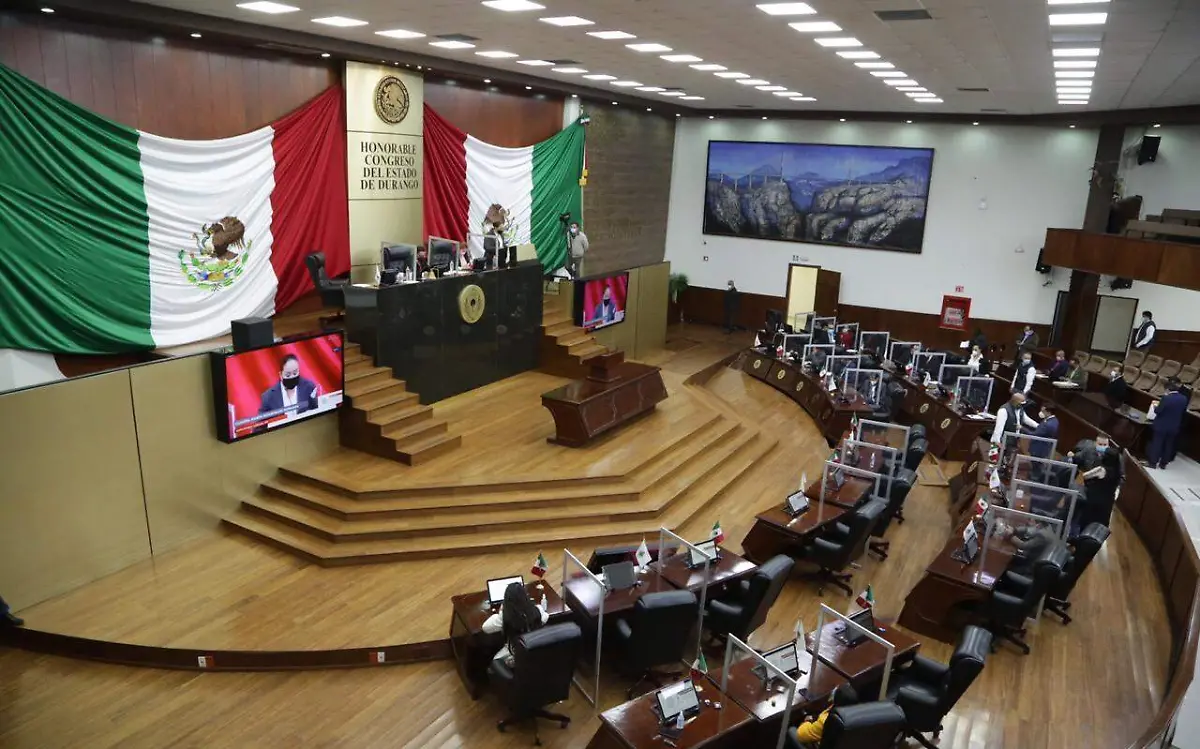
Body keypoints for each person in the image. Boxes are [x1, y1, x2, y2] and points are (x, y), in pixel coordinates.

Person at [480, 582, 548, 666]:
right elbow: (545, 617)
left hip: (515, 652)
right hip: (536, 649)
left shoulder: (504, 617)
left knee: (495, 662)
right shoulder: (538, 609)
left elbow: (485, 627)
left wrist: (501, 612)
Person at [1068, 433, 1123, 534]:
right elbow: (1078, 458)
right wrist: (1072, 455)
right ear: (1095, 443)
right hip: (1102, 496)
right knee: (1099, 522)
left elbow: (1086, 476)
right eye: (1100, 444)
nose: (1102, 447)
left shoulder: (1103, 467)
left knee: (1088, 518)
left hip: (1097, 496)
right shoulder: (1090, 450)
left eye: (1105, 445)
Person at [794, 684, 860, 747]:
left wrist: (807, 721)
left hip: (817, 744)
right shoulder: (856, 715)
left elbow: (800, 735)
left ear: (836, 699)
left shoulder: (827, 720)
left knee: (792, 730)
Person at [1146, 378, 1188, 470]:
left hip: (1162, 425)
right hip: (1174, 426)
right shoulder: (1184, 398)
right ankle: (1163, 464)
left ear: (1168, 389)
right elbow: (1182, 411)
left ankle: (1153, 463)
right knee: (1169, 445)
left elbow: (1158, 411)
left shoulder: (1166, 398)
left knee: (1157, 443)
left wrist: (1155, 406)